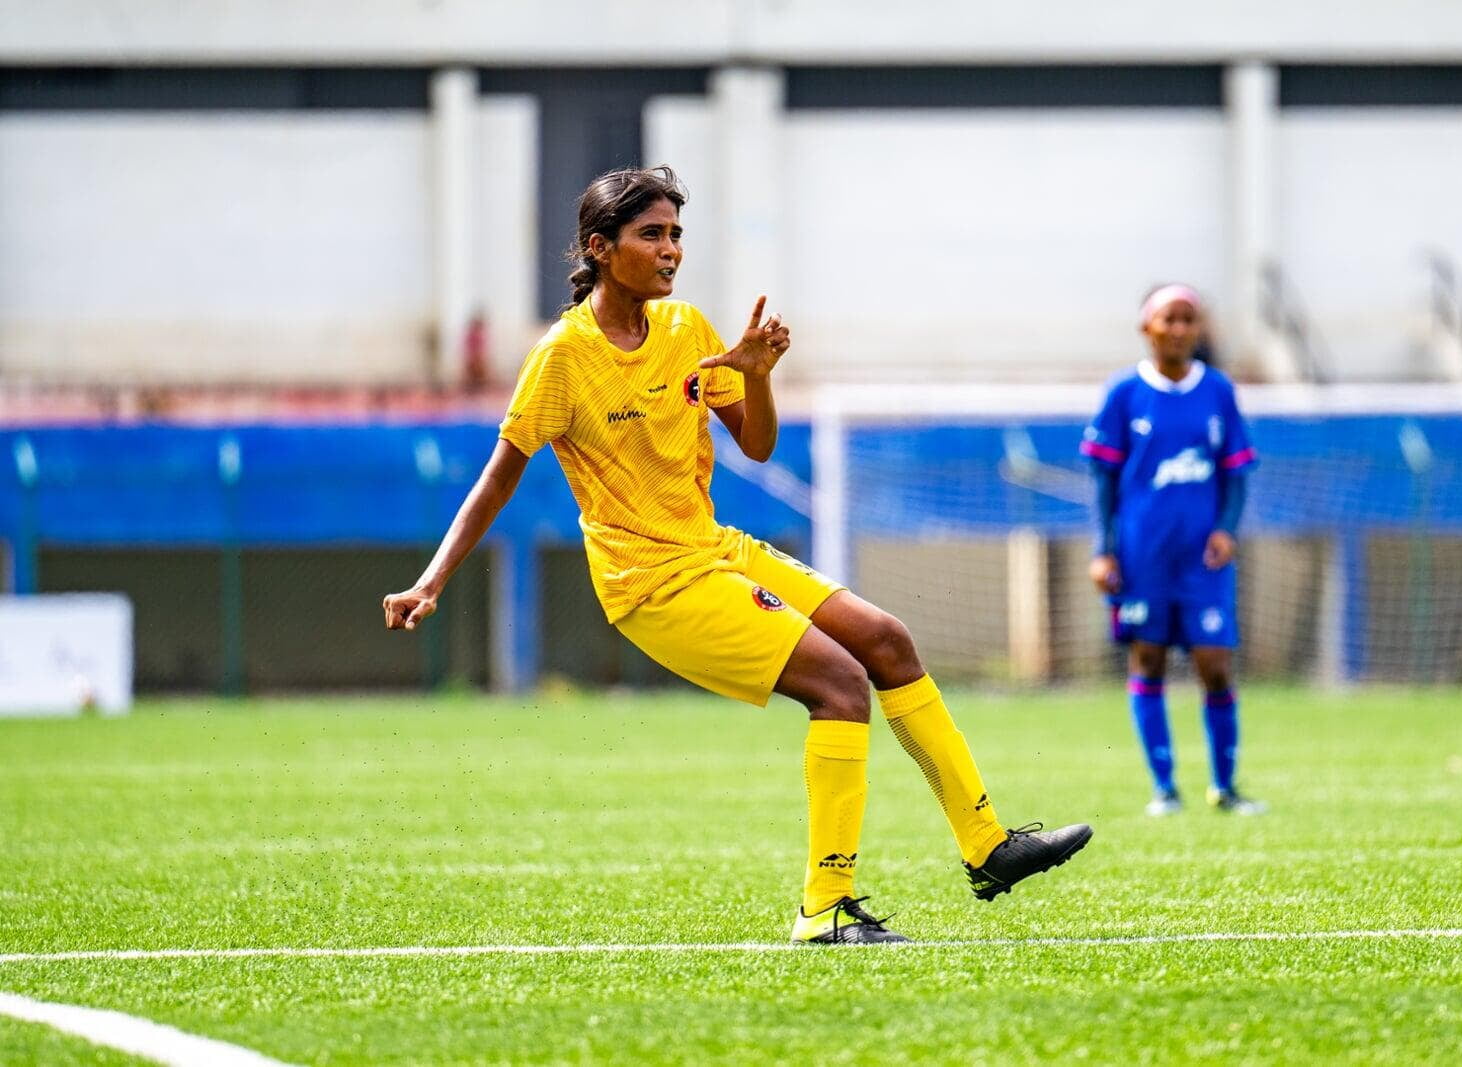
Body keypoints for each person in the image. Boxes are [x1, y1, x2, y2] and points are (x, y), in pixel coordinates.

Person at [383, 166, 1092, 945]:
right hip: (651, 583)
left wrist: (758, 378)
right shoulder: (563, 357)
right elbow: (497, 477)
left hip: (715, 547)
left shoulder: (686, 329)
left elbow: (756, 442)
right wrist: (430, 581)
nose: (671, 250)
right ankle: (824, 909)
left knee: (886, 640)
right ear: (600, 247)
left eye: (676, 234)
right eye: (652, 235)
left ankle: (987, 844)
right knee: (840, 683)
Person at [1080, 284, 1265, 817]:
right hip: (1143, 557)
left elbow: (1236, 472)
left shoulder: (1218, 391)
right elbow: (1103, 481)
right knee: (1149, 660)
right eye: (1170, 319)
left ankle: (1225, 787)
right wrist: (1103, 550)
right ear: (1148, 327)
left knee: (1215, 665)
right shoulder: (1124, 393)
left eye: (1189, 319)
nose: (1180, 329)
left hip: (1203, 560)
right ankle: (1164, 789)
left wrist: (1227, 528)